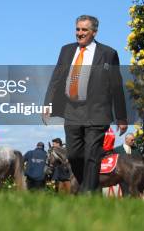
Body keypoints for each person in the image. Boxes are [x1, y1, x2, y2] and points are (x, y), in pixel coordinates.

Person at [44, 15, 127, 193]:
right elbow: (56, 78)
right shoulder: (66, 50)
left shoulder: (108, 53)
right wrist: (47, 104)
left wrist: (121, 116)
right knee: (73, 155)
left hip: (97, 111)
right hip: (72, 110)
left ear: (94, 32)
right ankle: (90, 188)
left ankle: (86, 194)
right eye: (77, 29)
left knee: (92, 154)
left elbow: (117, 86)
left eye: (84, 30)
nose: (79, 33)